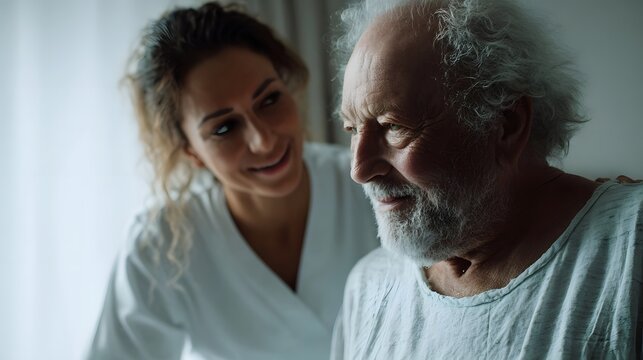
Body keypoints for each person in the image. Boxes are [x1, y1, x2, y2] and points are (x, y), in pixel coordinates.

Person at [331, 0, 643, 358]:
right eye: (353, 129)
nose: (359, 169)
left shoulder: (630, 249)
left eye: (393, 126)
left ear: (507, 124)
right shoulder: (370, 286)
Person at [86, 2, 379, 359]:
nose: (264, 140)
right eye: (224, 128)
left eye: (269, 100)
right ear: (191, 151)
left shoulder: (370, 184)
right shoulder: (161, 245)